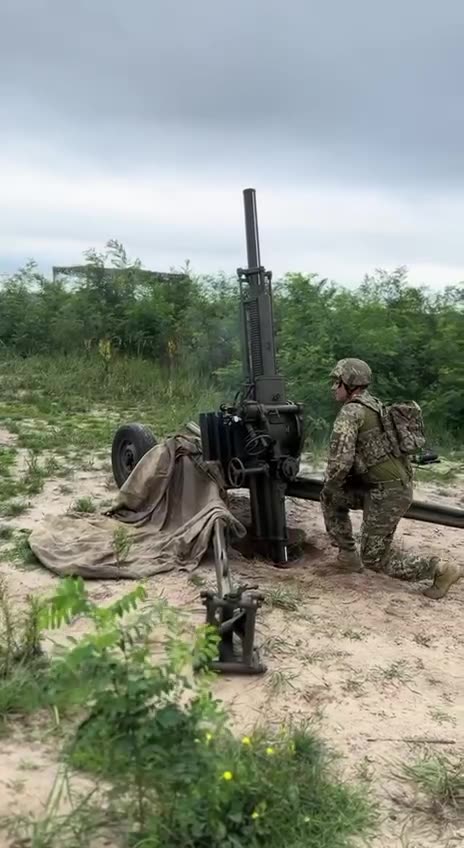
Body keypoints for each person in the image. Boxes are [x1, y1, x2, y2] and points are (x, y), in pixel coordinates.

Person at [320, 357, 461, 599]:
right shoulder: (375, 405)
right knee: (331, 498)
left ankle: (440, 569)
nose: (334, 387)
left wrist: (333, 486)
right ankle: (347, 556)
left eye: (337, 382)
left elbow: (339, 462)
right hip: (390, 488)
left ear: (350, 384)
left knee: (374, 558)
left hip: (387, 494)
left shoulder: (351, 412)